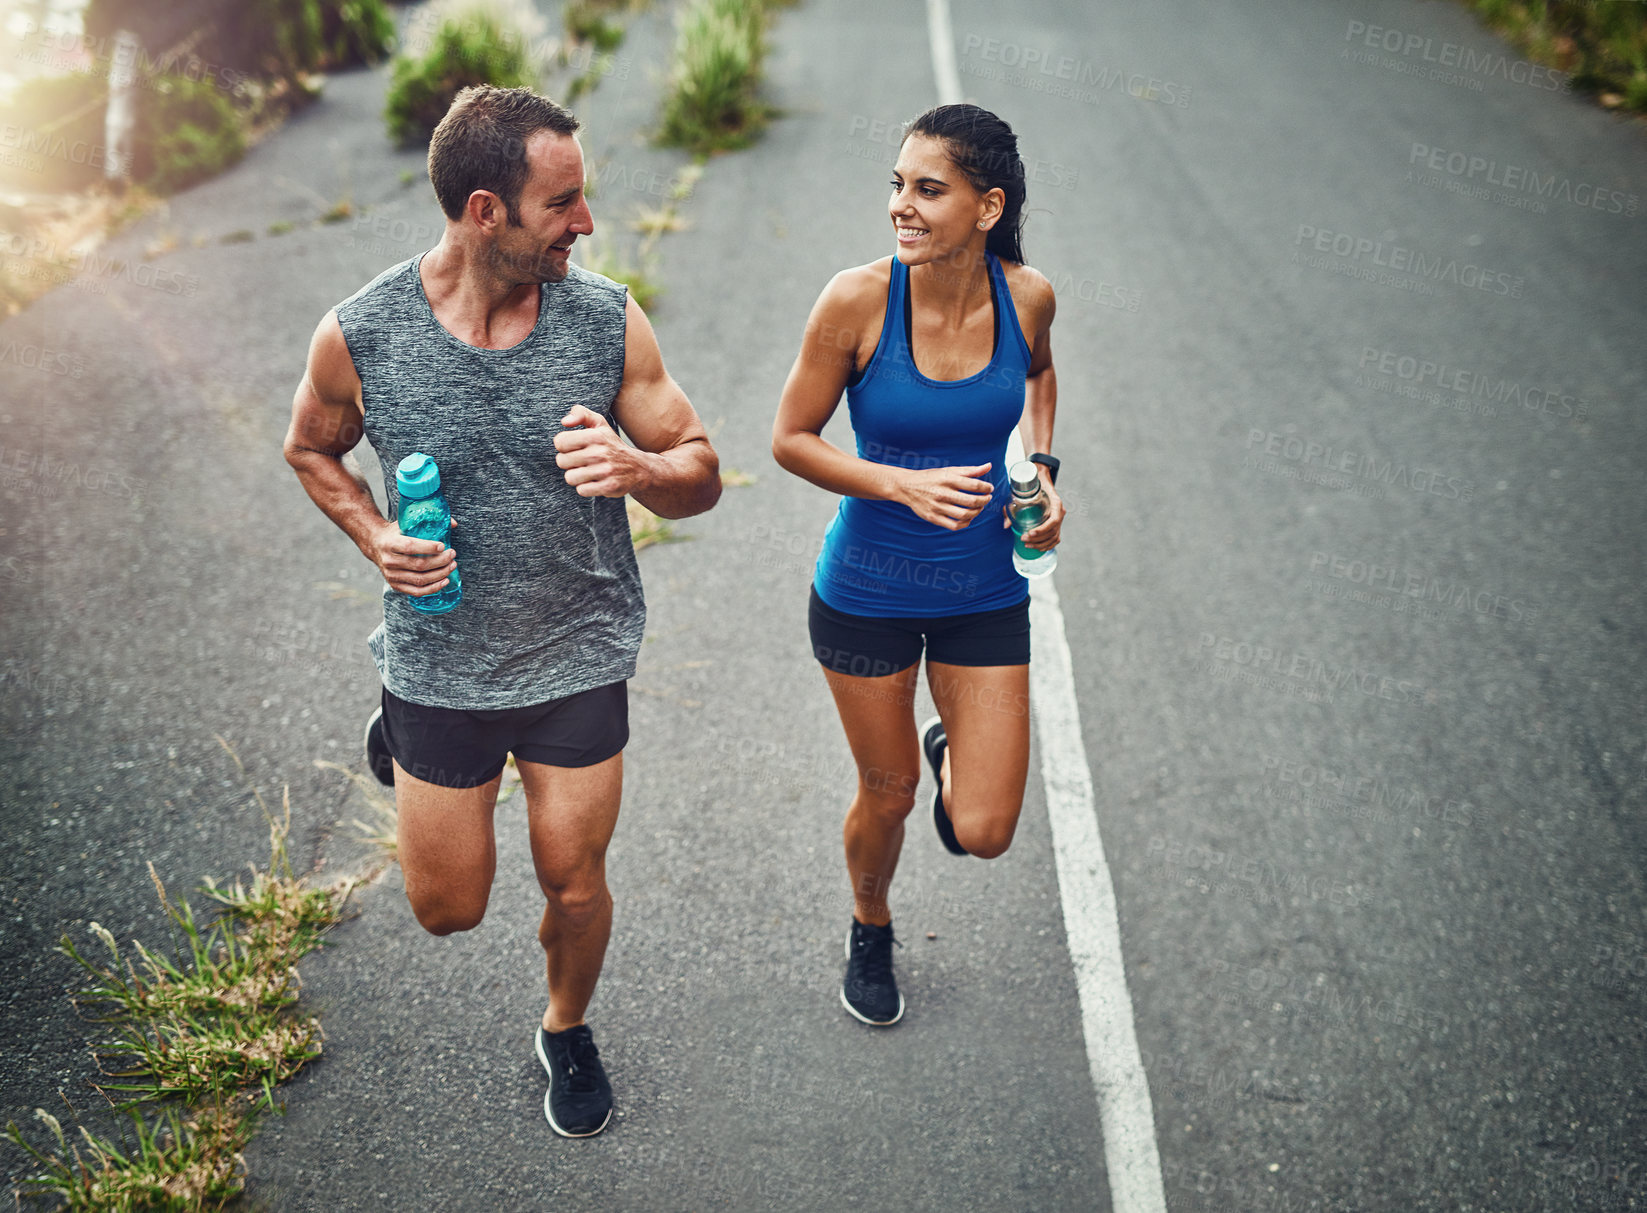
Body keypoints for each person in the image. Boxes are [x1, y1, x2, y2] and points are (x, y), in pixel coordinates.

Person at [282, 85, 720, 1134]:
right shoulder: (363, 335)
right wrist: (374, 535)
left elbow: (701, 469)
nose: (586, 223)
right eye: (562, 203)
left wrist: (635, 464)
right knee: (448, 908)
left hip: (578, 649)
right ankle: (399, 728)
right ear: (486, 211)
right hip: (441, 660)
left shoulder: (606, 319)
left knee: (574, 881)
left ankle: (566, 1026)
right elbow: (310, 447)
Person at [771, 104, 1063, 1026]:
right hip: (866, 596)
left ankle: (950, 750)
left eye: (927, 189)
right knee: (887, 795)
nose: (901, 206)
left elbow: (1040, 375)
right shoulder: (855, 301)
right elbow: (788, 440)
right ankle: (870, 921)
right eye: (897, 185)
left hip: (984, 589)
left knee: (982, 830)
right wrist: (899, 487)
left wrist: (1043, 473)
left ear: (987, 207)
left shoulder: (1027, 298)